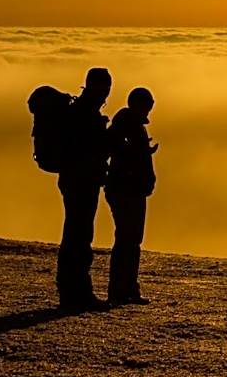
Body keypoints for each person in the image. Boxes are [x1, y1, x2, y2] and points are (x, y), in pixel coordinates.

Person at [57, 67, 112, 311]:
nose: (106, 93)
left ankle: (73, 291)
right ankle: (76, 292)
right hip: (81, 181)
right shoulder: (85, 113)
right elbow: (88, 149)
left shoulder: (82, 111)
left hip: (78, 179)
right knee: (78, 236)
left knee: (76, 233)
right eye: (103, 87)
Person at [105, 87, 158, 306]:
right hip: (126, 190)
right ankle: (121, 289)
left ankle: (127, 287)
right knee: (127, 239)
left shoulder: (132, 125)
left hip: (132, 189)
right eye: (148, 105)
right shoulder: (126, 124)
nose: (150, 109)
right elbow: (119, 152)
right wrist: (141, 154)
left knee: (131, 239)